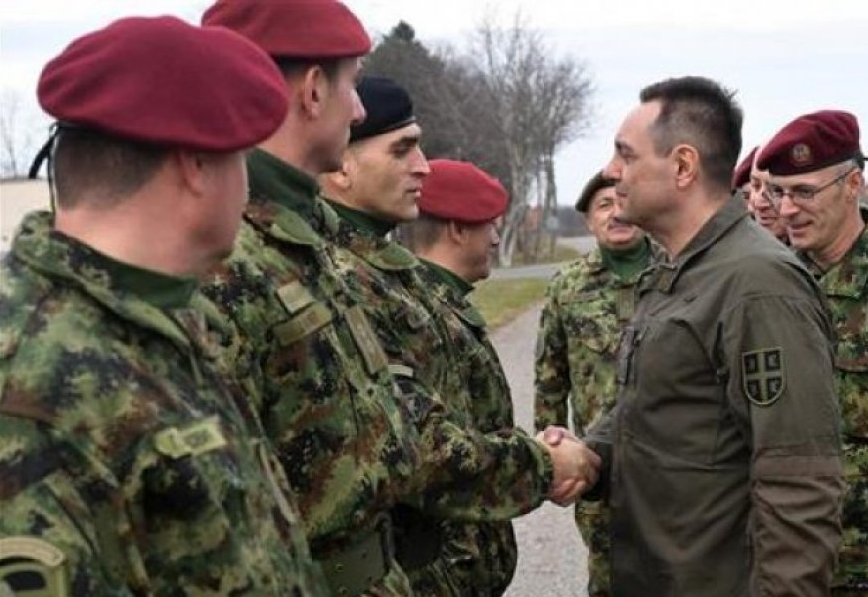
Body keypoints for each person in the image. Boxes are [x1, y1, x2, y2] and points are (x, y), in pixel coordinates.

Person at [200, 7, 598, 597]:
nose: (358, 110)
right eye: (353, 85)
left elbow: (377, 429)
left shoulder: (308, 244)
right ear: (315, 89)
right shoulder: (227, 253)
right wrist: (542, 466)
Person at [0, 16, 328, 596]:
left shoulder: (151, 318)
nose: (246, 187)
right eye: (240, 159)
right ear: (196, 165)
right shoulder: (30, 381)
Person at [318, 75, 600, 597]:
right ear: (341, 165)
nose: (423, 166)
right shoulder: (336, 275)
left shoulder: (381, 272)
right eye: (402, 149)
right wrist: (543, 465)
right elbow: (414, 446)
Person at [580, 76, 843, 596]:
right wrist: (589, 455)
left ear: (683, 166)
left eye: (626, 154)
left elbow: (799, 476)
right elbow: (673, 412)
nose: (611, 172)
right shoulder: (680, 269)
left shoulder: (758, 283)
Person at [758, 110, 868, 596]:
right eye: (778, 192)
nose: (787, 209)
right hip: (785, 564)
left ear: (853, 184)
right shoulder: (767, 285)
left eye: (804, 192)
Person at [402, 158, 519, 596]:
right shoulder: (417, 316)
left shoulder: (442, 305)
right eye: (490, 225)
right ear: (457, 229)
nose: (495, 239)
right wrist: (545, 466)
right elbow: (434, 448)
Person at [533, 171, 650, 597]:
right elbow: (550, 377)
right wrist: (551, 455)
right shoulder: (568, 286)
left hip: (672, 460)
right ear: (588, 220)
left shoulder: (678, 274)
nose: (616, 213)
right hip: (602, 465)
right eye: (604, 205)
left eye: (622, 201)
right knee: (609, 574)